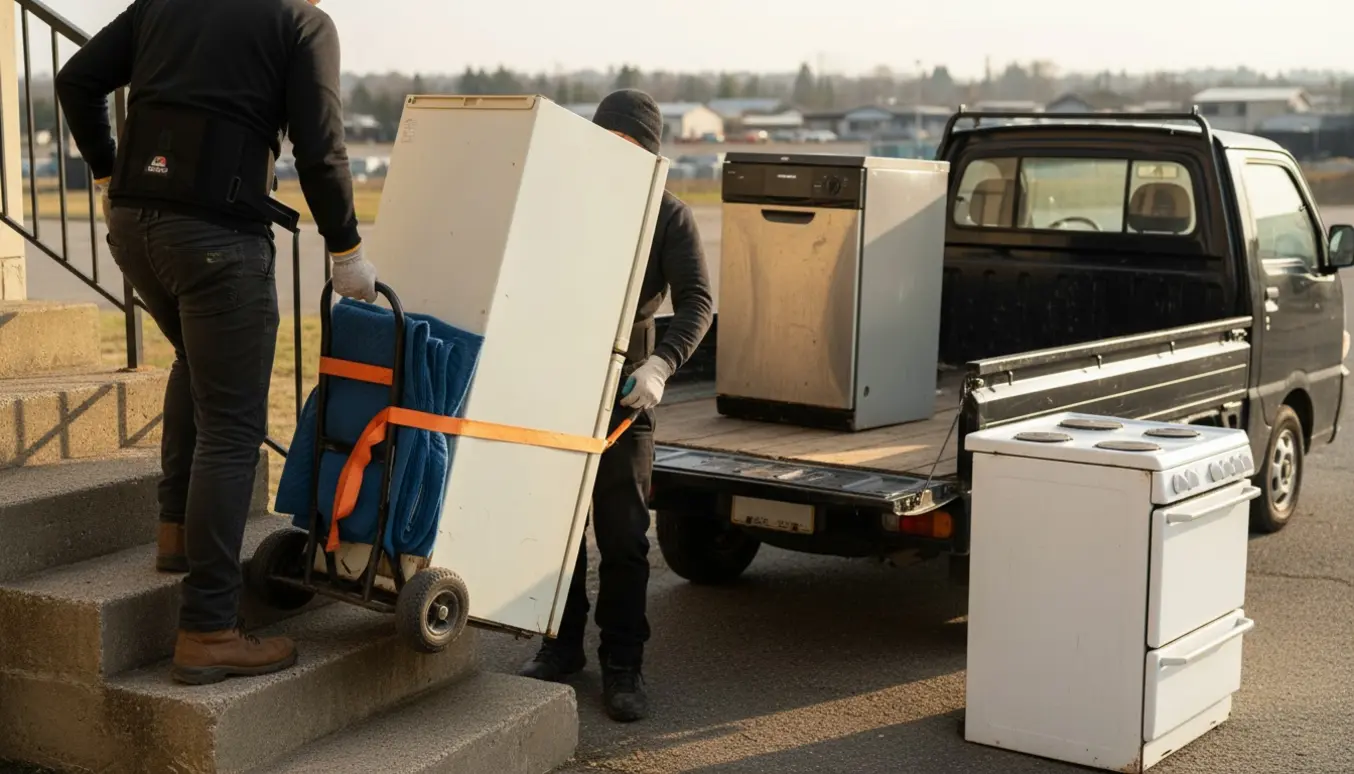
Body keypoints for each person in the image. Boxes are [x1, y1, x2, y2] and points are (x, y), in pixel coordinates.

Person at [56, 0, 377, 686]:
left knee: (191, 364)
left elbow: (76, 80)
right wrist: (346, 247)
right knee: (233, 431)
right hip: (217, 240)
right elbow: (321, 147)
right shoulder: (301, 23)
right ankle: (207, 628)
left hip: (137, 228)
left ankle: (176, 532)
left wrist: (111, 172)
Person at [518, 89, 714, 722]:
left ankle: (624, 666)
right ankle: (561, 647)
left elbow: (698, 303)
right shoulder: (568, 204)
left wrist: (661, 364)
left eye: (629, 145)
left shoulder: (670, 217)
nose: (615, 154)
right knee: (559, 535)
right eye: (607, 141)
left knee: (625, 538)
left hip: (627, 397)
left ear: (650, 152)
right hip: (560, 387)